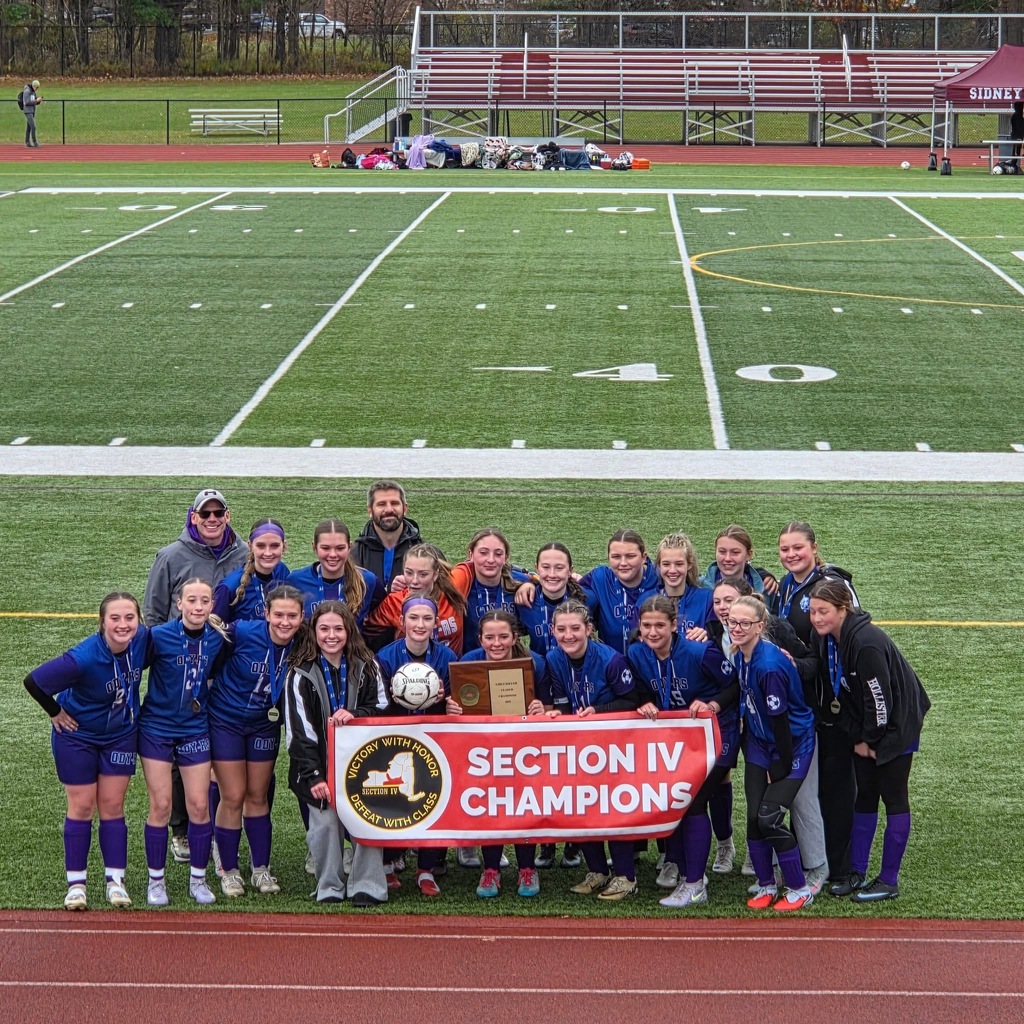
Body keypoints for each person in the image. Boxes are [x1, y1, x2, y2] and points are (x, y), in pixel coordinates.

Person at [24, 592, 148, 910]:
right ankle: (76, 885)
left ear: (139, 620)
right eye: (115, 618)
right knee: (81, 806)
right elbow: (34, 681)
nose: (123, 624)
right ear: (102, 622)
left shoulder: (143, 640)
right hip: (77, 737)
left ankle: (115, 882)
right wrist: (55, 712)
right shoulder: (84, 657)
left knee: (112, 805)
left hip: (120, 735)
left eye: (129, 617)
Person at [143, 487, 247, 865]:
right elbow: (153, 613)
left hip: (224, 662)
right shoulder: (171, 556)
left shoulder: (244, 555)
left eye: (219, 513)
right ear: (194, 517)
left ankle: (219, 829)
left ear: (228, 516)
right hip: (179, 663)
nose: (213, 520)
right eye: (206, 514)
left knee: (212, 748)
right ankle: (180, 829)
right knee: (174, 744)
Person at [808, 579, 930, 902]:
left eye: (824, 612)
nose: (817, 618)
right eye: (813, 612)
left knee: (893, 797)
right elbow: (841, 696)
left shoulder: (866, 643)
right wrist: (857, 737)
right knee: (864, 796)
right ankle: (856, 872)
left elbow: (880, 700)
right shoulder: (824, 639)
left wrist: (871, 741)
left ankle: (889, 880)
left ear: (842, 609)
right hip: (866, 728)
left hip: (896, 726)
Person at [626, 596, 736, 908]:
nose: (652, 631)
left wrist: (712, 704)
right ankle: (684, 869)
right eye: (646, 625)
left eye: (660, 625)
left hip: (718, 733)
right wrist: (641, 701)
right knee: (677, 800)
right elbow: (641, 687)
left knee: (693, 800)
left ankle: (695, 883)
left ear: (674, 625)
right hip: (676, 740)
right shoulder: (637, 653)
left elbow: (734, 685)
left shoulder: (699, 651)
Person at [285, 600, 389, 907]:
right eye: (324, 629)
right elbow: (298, 731)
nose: (331, 635)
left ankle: (368, 885)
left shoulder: (367, 665)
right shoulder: (300, 674)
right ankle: (329, 883)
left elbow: (384, 710)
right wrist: (314, 775)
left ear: (349, 631)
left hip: (365, 766)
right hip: (318, 767)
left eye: (338, 629)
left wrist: (355, 713)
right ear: (313, 632)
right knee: (327, 825)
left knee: (366, 821)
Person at [777, 521, 859, 892]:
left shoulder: (832, 585)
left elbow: (849, 641)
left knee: (837, 791)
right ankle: (813, 864)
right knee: (804, 792)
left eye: (798, 548)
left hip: (835, 707)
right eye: (785, 549)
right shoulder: (784, 586)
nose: (792, 555)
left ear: (814, 547)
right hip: (805, 707)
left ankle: (841, 870)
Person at [208, 585, 305, 898]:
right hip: (226, 721)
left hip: (265, 724)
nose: (285, 622)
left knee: (258, 795)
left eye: (292, 616)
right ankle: (228, 869)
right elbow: (208, 655)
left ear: (302, 617)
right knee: (233, 795)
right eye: (278, 614)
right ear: (266, 613)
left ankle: (261, 868)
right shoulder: (242, 633)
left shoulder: (304, 643)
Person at [543, 599, 642, 901]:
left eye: (575, 628)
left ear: (588, 628)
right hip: (576, 744)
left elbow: (632, 701)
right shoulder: (553, 658)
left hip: (613, 745)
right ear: (552, 630)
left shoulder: (611, 660)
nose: (568, 635)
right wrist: (556, 713)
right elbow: (561, 700)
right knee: (580, 807)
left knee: (613, 810)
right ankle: (597, 871)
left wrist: (597, 710)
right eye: (561, 629)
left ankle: (626, 876)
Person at [138, 578, 226, 907]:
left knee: (200, 806)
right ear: (180, 603)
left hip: (194, 727)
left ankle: (198, 880)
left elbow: (217, 675)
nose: (198, 607)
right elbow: (131, 667)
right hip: (157, 728)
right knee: (160, 806)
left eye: (204, 601)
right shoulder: (157, 637)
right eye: (192, 600)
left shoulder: (217, 640)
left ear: (211, 606)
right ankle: (156, 881)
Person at [728, 595, 816, 912]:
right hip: (759, 740)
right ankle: (766, 884)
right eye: (732, 622)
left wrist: (780, 762)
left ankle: (798, 888)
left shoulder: (769, 666)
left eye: (744, 623)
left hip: (789, 743)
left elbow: (780, 720)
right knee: (753, 817)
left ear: (760, 626)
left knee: (769, 818)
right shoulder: (741, 653)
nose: (736, 628)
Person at [376, 596, 461, 897]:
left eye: (427, 619)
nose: (420, 624)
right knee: (394, 799)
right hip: (396, 740)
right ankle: (387, 864)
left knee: (432, 798)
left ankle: (426, 868)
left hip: (433, 741)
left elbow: (456, 699)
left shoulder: (447, 656)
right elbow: (377, 704)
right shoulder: (385, 658)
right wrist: (392, 699)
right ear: (402, 622)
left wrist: (445, 702)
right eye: (414, 618)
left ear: (436, 623)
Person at [460, 610, 547, 898]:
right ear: (480, 638)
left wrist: (542, 709)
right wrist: (453, 709)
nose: (496, 643)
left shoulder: (535, 664)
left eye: (503, 636)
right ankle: (491, 869)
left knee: (524, 804)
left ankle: (526, 867)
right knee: (489, 806)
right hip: (483, 751)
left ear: (514, 637)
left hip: (526, 748)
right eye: (489, 637)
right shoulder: (468, 663)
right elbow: (459, 706)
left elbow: (549, 702)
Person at [365, 544, 467, 654]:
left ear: (435, 574)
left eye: (423, 574)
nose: (414, 581)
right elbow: (366, 631)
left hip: (450, 668)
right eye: (409, 573)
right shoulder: (394, 602)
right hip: (408, 669)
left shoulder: (454, 587)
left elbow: (475, 563)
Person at [577, 529, 660, 655]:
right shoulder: (600, 578)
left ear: (644, 557)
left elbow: (692, 582)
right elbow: (562, 588)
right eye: (616, 557)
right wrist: (534, 579)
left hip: (652, 670)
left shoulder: (659, 577)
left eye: (630, 556)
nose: (623, 563)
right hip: (613, 669)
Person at [288, 519, 385, 626]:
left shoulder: (367, 580)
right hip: (308, 643)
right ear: (314, 547)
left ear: (349, 547)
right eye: (325, 548)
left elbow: (384, 614)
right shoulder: (295, 580)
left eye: (340, 548)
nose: (333, 554)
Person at [351, 480, 441, 591]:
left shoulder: (429, 554)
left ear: (405, 508)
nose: (389, 509)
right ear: (370, 510)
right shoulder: (353, 555)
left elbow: (446, 596)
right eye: (381, 504)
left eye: (394, 503)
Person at [515, 542, 594, 658]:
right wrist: (530, 583)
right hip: (540, 673)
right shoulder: (524, 601)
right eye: (545, 567)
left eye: (559, 568)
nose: (552, 574)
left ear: (570, 570)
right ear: (537, 568)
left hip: (577, 673)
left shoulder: (588, 599)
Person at [460, 529, 532, 654]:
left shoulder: (519, 581)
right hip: (472, 663)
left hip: (511, 659)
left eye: (498, 554)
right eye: (483, 553)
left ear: (506, 557)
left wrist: (531, 585)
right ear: (470, 555)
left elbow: (548, 580)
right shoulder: (461, 584)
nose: (491, 560)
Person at [213, 519, 292, 623]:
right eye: (260, 546)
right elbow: (213, 630)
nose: (268, 553)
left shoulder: (282, 571)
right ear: (250, 546)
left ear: (284, 546)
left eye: (274, 546)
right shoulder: (230, 586)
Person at [653, 532, 714, 639]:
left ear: (689, 564)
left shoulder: (707, 599)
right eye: (666, 564)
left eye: (679, 564)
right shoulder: (647, 600)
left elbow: (720, 645)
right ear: (659, 565)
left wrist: (706, 637)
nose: (672, 570)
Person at [701, 525, 778, 606]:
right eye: (722, 551)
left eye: (735, 552)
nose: (727, 558)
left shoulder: (767, 587)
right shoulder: (698, 586)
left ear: (748, 554)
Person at [21, 79, 41, 148]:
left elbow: (34, 100)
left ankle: (27, 142)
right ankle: (35, 142)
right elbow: (27, 102)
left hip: (32, 111)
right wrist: (36, 101)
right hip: (28, 111)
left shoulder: (33, 92)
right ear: (34, 86)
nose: (37, 89)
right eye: (37, 87)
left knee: (29, 127)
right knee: (33, 126)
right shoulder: (27, 91)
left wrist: (38, 100)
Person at [1011, 101, 1024, 171]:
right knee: (1016, 151)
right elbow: (1019, 127)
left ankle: (1014, 165)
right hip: (1017, 137)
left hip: (1019, 136)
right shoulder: (1016, 116)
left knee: (1017, 151)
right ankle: (1013, 165)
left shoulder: (1018, 116)